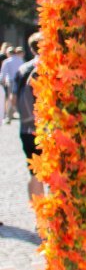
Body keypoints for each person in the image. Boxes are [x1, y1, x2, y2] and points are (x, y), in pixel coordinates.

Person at [15, 34, 43, 200]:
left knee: (34, 172)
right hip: (42, 129)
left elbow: (14, 97)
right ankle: (46, 216)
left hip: (25, 128)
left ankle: (38, 215)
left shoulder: (22, 69)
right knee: (47, 173)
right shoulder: (44, 69)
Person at [1, 45, 24, 122]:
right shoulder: (20, 60)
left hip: (10, 81)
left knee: (10, 98)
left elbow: (3, 73)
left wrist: (2, 81)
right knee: (18, 97)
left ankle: (9, 116)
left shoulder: (7, 61)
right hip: (19, 81)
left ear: (8, 53)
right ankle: (19, 113)